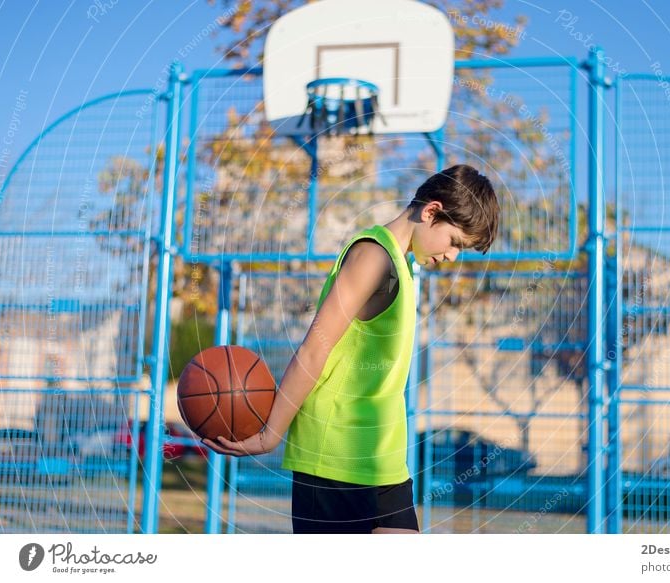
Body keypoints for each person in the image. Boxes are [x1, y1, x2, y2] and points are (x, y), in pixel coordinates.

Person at [202, 164, 500, 534]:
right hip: (337, 456)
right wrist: (270, 434)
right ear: (431, 212)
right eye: (455, 242)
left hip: (381, 458)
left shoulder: (401, 267)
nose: (454, 256)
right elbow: (315, 347)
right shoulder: (374, 258)